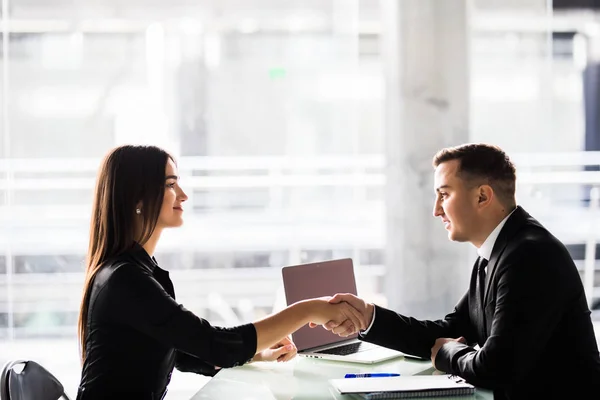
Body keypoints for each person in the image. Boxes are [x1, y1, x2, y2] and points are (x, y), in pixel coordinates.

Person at [76, 144, 364, 399]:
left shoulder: (131, 271)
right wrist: (307, 311)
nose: (183, 195)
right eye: (170, 185)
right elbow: (212, 343)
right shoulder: (126, 280)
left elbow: (177, 349)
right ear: (137, 200)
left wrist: (256, 353)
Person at [322, 143, 600, 399]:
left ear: (482, 196)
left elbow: (495, 367)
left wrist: (447, 351)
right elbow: (451, 330)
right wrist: (367, 316)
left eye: (444, 194)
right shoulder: (495, 254)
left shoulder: (531, 255)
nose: (436, 210)